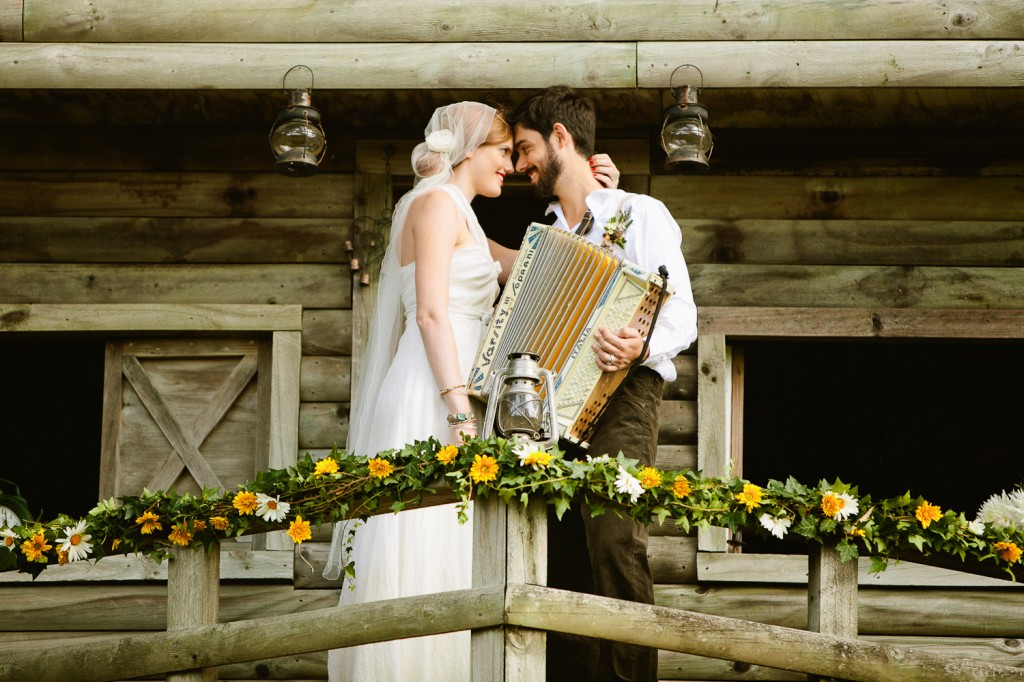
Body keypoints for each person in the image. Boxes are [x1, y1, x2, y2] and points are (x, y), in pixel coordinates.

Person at [324, 101, 621, 682]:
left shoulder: (465, 217)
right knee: (422, 536)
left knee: (455, 542)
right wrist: (458, 410)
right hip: (432, 393)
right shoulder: (435, 204)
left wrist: (600, 201)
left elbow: (540, 265)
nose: (510, 166)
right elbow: (430, 315)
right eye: (503, 152)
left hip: (458, 394)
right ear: (469, 151)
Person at [509, 85, 699, 682]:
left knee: (615, 541)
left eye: (525, 149)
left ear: (560, 137)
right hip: (550, 408)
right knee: (561, 553)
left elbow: (683, 314)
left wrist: (640, 345)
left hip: (625, 393)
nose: (519, 165)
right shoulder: (542, 235)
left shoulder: (639, 212)